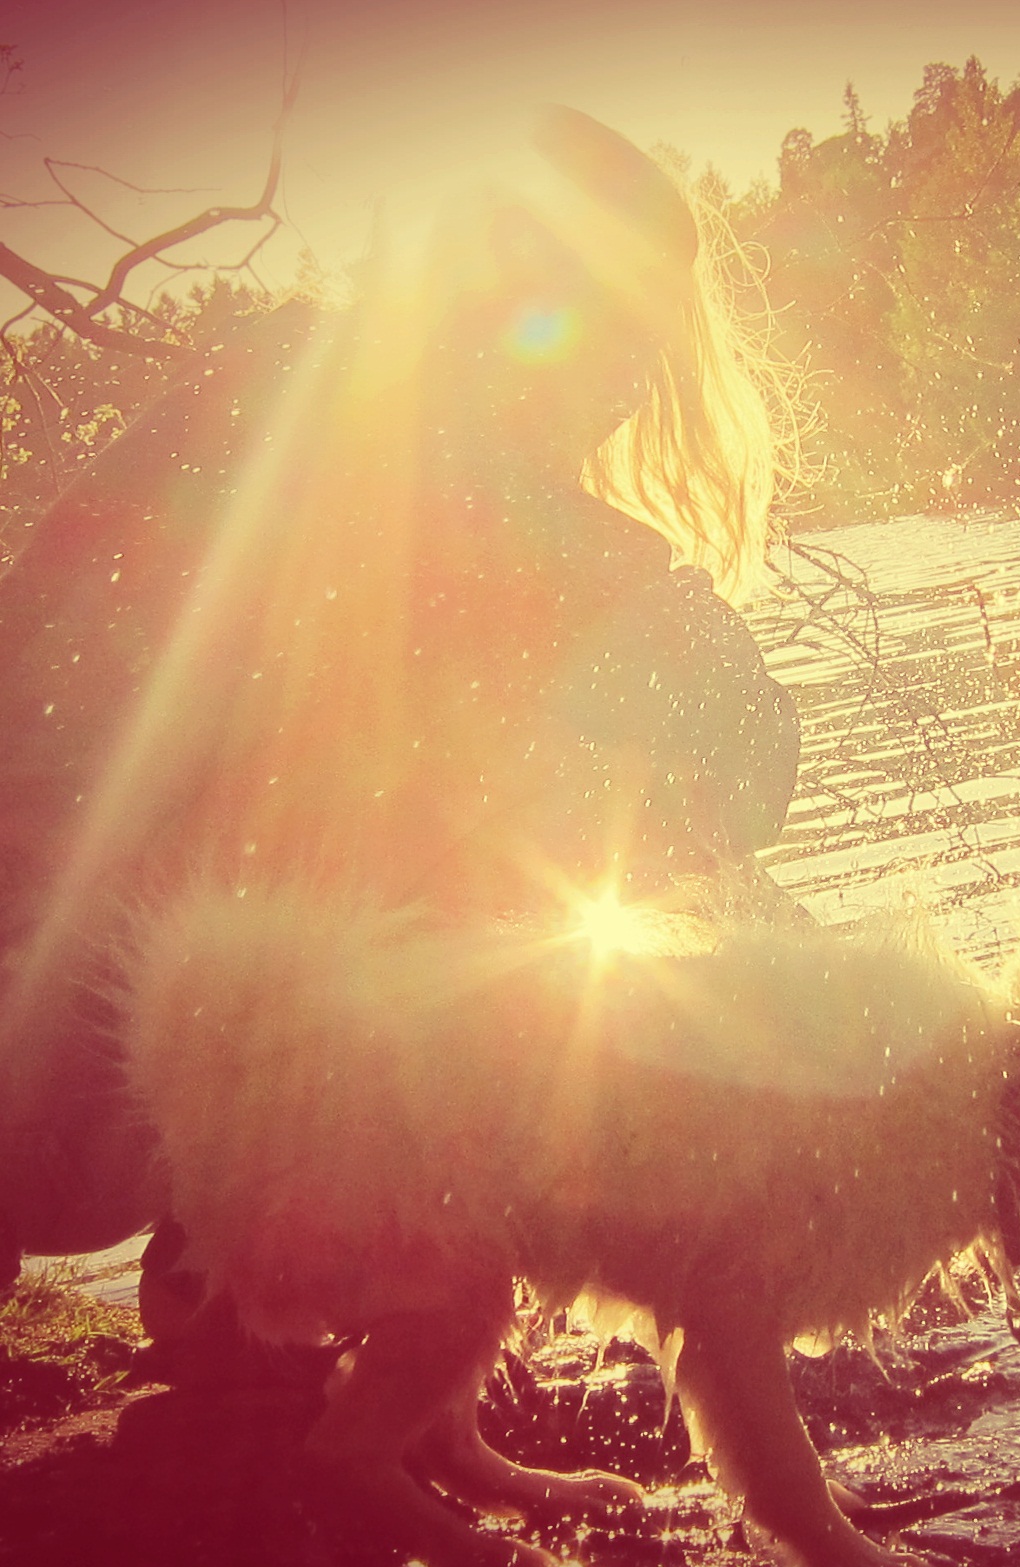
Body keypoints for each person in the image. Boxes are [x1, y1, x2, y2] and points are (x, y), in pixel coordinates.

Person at [0, 107, 800, 1294]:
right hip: (67, 1072)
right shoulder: (382, 439)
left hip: (90, 1051)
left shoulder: (291, 386)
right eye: (612, 328)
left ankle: (232, 1262)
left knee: (480, 807)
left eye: (649, 343)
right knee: (517, 842)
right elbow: (743, 737)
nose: (632, 385)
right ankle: (270, 1254)